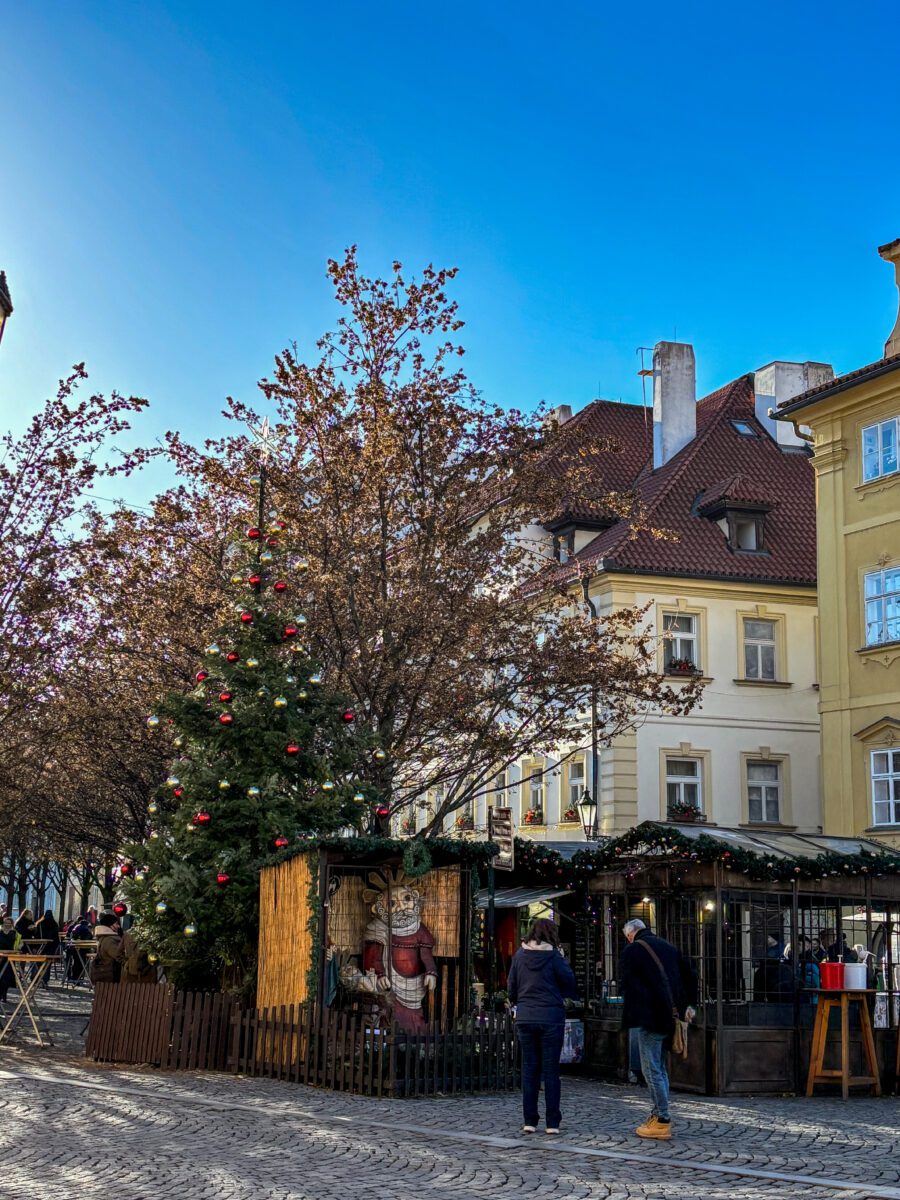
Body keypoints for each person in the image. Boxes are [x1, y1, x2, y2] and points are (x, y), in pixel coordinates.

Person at [620, 918, 696, 1141]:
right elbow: (690, 975)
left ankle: (661, 1117)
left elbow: (627, 984)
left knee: (651, 1068)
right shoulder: (668, 947)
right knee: (660, 1068)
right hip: (671, 1016)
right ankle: (658, 1114)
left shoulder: (633, 951)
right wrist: (688, 1005)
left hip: (650, 1016)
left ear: (630, 935)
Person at [506, 918, 578, 1135]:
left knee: (529, 1069)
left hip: (526, 1016)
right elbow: (569, 982)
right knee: (551, 1071)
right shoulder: (554, 957)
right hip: (551, 1017)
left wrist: (517, 1001)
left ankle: (530, 1120)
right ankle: (552, 1122)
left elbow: (511, 986)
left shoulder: (519, 955)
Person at [89, 913, 124, 984]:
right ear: (110, 925)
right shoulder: (110, 939)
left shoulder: (106, 937)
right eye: (116, 924)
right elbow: (118, 955)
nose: (118, 926)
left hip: (107, 975)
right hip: (110, 975)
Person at [0, 916, 21, 1005]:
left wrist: (19, 947)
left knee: (7, 978)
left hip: (10, 957)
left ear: (12, 924)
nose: (7, 925)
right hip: (0, 957)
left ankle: (4, 995)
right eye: (6, 923)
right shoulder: (0, 932)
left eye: (9, 923)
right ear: (3, 923)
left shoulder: (15, 933)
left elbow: (19, 943)